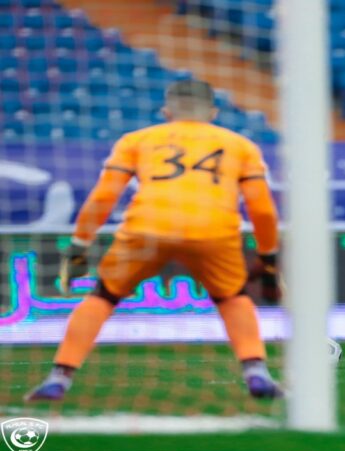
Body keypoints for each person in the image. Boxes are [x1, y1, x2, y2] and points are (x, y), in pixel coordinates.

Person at [25, 80, 282, 401]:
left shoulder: (138, 140)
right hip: (212, 229)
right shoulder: (240, 145)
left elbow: (103, 197)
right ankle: (256, 371)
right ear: (213, 112)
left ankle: (59, 378)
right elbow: (262, 209)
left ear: (166, 111)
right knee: (233, 298)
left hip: (147, 228)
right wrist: (269, 257)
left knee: (102, 297)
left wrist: (79, 245)